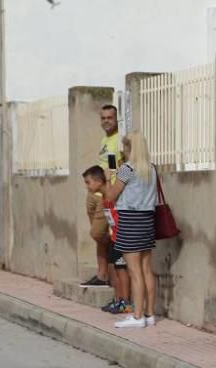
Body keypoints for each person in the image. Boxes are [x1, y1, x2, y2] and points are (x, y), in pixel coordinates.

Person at [105, 132, 157, 329]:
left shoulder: (127, 169)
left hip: (129, 219)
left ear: (128, 148)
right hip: (147, 220)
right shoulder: (151, 168)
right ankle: (149, 313)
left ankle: (137, 316)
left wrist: (110, 177)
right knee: (146, 269)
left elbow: (111, 196)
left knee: (134, 271)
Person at [82, 104, 124, 287]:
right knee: (99, 235)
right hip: (94, 193)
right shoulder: (104, 141)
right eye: (103, 118)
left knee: (99, 233)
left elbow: (112, 169)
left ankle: (110, 270)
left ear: (116, 119)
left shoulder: (116, 141)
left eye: (110, 118)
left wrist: (107, 190)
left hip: (105, 195)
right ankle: (102, 274)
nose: (106, 121)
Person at [82, 165, 130, 313]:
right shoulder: (103, 197)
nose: (87, 186)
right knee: (113, 269)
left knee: (121, 270)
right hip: (114, 236)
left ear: (98, 181)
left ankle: (125, 303)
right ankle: (117, 300)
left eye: (88, 182)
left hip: (122, 236)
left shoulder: (111, 195)